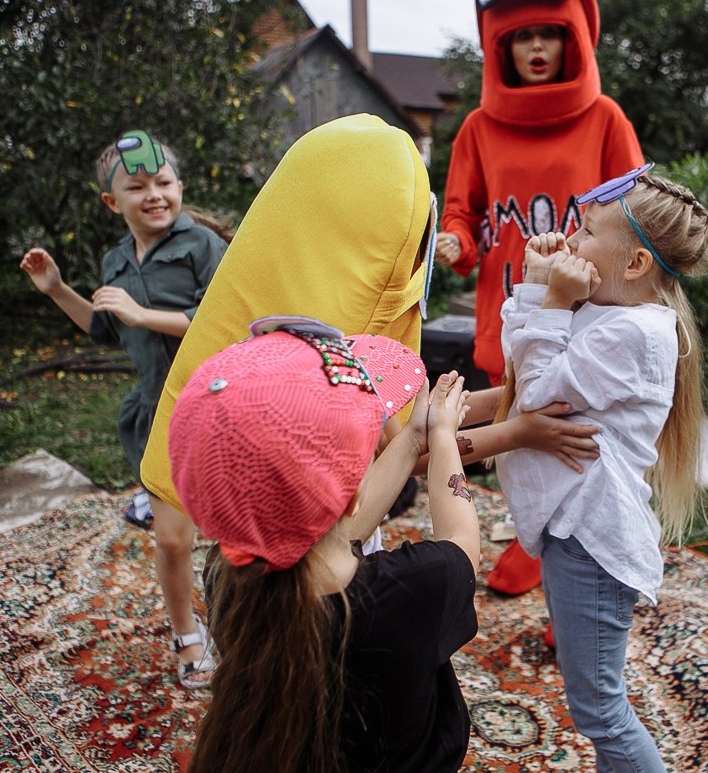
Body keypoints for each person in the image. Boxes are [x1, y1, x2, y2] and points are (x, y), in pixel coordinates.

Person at [134, 113, 600, 686]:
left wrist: (504, 401)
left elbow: (413, 432)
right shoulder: (398, 594)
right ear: (352, 494)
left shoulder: (236, 575)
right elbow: (417, 465)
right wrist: (517, 432)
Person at [169, 318, 478, 773]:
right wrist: (442, 437)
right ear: (354, 496)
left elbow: (314, 530)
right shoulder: (415, 590)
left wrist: (414, 439)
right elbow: (462, 542)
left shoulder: (226, 576)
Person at [497, 163, 708, 771]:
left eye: (588, 231)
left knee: (600, 710)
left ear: (636, 263)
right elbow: (521, 370)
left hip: (593, 540)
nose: (571, 239)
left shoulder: (637, 332)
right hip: (573, 529)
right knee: (593, 702)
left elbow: (534, 397)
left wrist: (555, 300)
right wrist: (538, 288)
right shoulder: (608, 312)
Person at [436, 0, 646, 598]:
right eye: (521, 36)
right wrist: (456, 243)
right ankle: (536, 541)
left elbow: (636, 210)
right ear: (501, 45)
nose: (534, 47)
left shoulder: (605, 118)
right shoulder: (478, 128)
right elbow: (462, 211)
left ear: (570, 39)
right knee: (517, 438)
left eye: (547, 34)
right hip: (511, 311)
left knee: (580, 442)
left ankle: (583, 574)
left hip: (587, 313)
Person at [19, 129, 227, 689]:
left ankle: (250, 625)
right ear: (113, 202)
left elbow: (224, 324)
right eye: (138, 187)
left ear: (179, 186)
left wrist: (143, 314)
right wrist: (56, 289)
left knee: (236, 534)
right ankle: (187, 635)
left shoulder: (201, 246)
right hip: (157, 417)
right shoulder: (115, 260)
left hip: (219, 408)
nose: (154, 194)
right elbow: (106, 328)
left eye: (164, 182)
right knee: (173, 539)